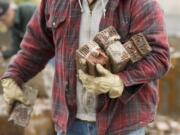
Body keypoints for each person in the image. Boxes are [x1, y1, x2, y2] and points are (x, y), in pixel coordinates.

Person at [0, 0, 170, 135]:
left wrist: (120, 82)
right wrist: (13, 76)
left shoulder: (140, 3)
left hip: (122, 125)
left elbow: (159, 56)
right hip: (69, 123)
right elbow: (35, 46)